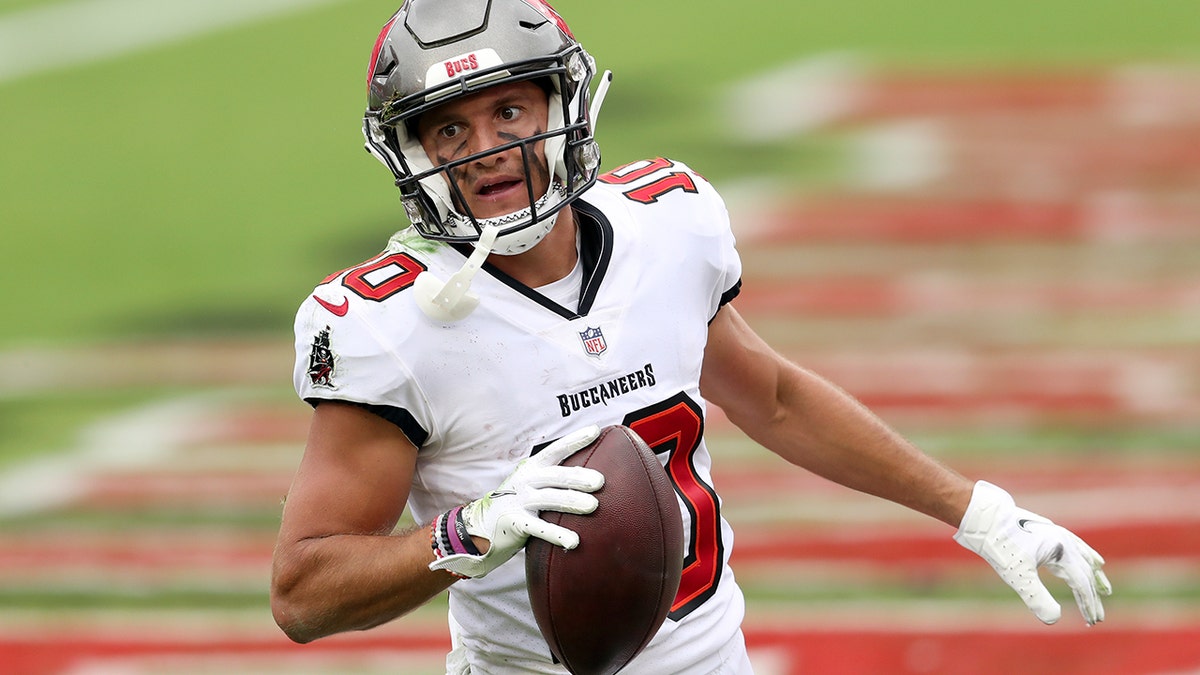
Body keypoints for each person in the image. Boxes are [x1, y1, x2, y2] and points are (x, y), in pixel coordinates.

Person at [270, 0, 1112, 672]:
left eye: (511, 111)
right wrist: (470, 531)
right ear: (410, 152)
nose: (487, 149)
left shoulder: (665, 227)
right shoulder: (393, 324)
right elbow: (303, 591)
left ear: (564, 105)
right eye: (450, 128)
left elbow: (774, 399)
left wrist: (973, 509)